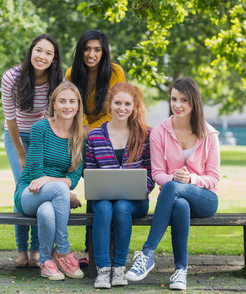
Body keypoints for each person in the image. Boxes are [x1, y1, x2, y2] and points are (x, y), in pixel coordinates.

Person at [125, 78, 220, 290]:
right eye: (174, 99)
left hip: (205, 199)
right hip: (175, 197)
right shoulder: (160, 132)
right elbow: (157, 173)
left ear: (193, 102)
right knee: (179, 204)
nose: (177, 105)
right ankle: (180, 271)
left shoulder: (209, 134)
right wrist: (175, 180)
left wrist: (191, 179)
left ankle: (148, 253)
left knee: (173, 188)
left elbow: (214, 178)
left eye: (183, 100)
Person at [1, 34, 64, 268]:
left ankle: (36, 250)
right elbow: (11, 118)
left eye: (49, 53)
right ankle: (21, 250)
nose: (42, 56)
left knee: (39, 189)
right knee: (22, 187)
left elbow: (54, 116)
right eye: (39, 50)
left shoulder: (58, 79)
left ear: (54, 58)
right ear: (31, 52)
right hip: (15, 134)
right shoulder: (12, 77)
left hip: (41, 135)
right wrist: (20, 153)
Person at [66, 30, 126, 266]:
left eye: (97, 49)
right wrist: (84, 128)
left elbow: (117, 106)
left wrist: (94, 129)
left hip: (108, 135)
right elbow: (69, 103)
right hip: (79, 134)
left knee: (101, 188)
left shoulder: (115, 71)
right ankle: (77, 250)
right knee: (86, 182)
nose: (92, 54)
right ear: (80, 50)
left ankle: (96, 250)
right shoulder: (71, 74)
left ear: (104, 52)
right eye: (87, 49)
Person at [85, 82, 154, 289]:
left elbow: (151, 172)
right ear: (109, 104)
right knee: (105, 206)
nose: (121, 108)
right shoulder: (95, 136)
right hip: (103, 198)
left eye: (127, 104)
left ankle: (119, 269)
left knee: (122, 206)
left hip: (135, 201)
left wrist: (141, 187)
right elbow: (89, 172)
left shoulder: (144, 135)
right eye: (117, 103)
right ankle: (103, 271)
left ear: (134, 106)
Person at [14, 81, 86, 281]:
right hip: (29, 192)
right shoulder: (40, 128)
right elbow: (35, 172)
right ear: (54, 104)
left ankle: (46, 261)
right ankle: (63, 251)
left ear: (78, 106)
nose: (67, 106)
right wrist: (59, 187)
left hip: (54, 197)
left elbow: (73, 178)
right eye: (62, 101)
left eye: (72, 101)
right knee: (60, 189)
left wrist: (51, 181)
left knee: (46, 212)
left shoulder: (81, 136)